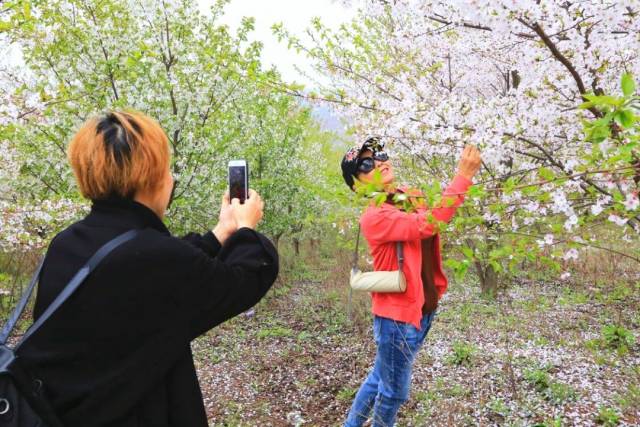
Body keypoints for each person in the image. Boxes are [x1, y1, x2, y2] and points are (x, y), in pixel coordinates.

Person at [16, 111, 279, 426]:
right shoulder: (158, 260)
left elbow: (153, 268)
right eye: (166, 169)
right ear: (152, 177)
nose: (171, 179)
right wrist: (246, 227)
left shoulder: (66, 243)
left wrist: (220, 234)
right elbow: (245, 279)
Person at [341, 137, 481, 427]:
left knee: (381, 376)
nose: (379, 161)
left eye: (379, 154)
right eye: (366, 164)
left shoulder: (409, 195)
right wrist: (463, 177)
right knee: (393, 393)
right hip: (397, 321)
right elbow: (429, 223)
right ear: (358, 185)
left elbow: (435, 213)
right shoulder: (375, 216)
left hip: (423, 309)